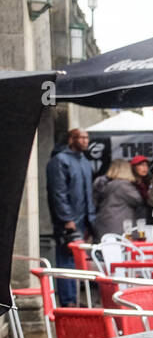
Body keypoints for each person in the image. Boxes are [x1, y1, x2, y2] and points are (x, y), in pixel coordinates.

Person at [45, 128, 95, 306]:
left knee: (77, 261)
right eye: (80, 138)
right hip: (68, 221)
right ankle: (67, 300)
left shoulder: (85, 162)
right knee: (66, 259)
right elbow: (58, 193)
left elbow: (88, 193)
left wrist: (90, 219)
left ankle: (75, 297)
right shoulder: (60, 161)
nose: (85, 141)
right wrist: (67, 219)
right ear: (71, 139)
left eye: (86, 138)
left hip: (83, 218)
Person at [93, 158, 150, 237]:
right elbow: (138, 200)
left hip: (103, 223)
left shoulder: (101, 182)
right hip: (120, 226)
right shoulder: (124, 185)